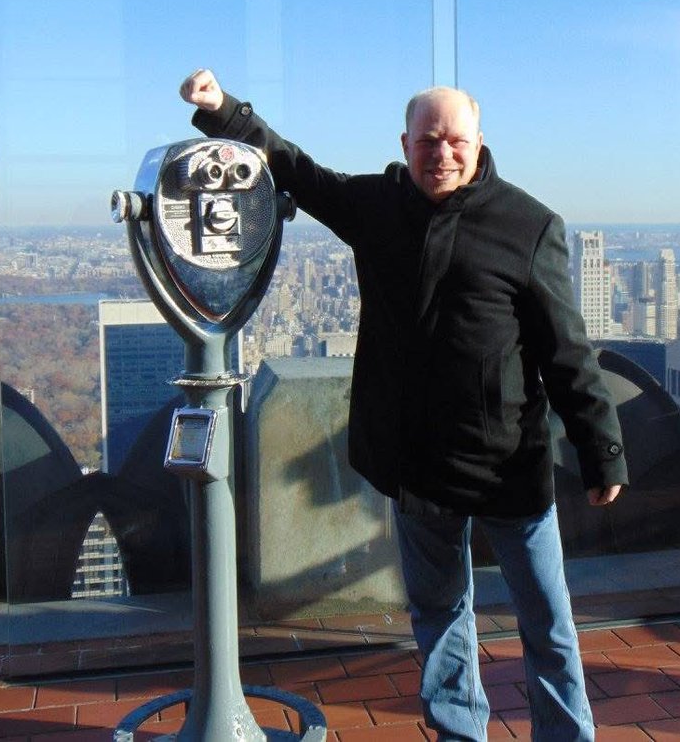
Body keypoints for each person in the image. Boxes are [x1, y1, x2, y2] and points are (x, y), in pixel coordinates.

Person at [180, 68, 627, 742]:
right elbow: (297, 171)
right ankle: (457, 734)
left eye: (454, 140)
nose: (441, 153)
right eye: (427, 141)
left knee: (548, 627)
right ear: (404, 142)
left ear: (479, 143)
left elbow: (567, 351)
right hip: (420, 465)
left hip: (511, 463)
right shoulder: (376, 207)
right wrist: (223, 113)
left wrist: (602, 454)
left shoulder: (530, 226)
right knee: (442, 622)